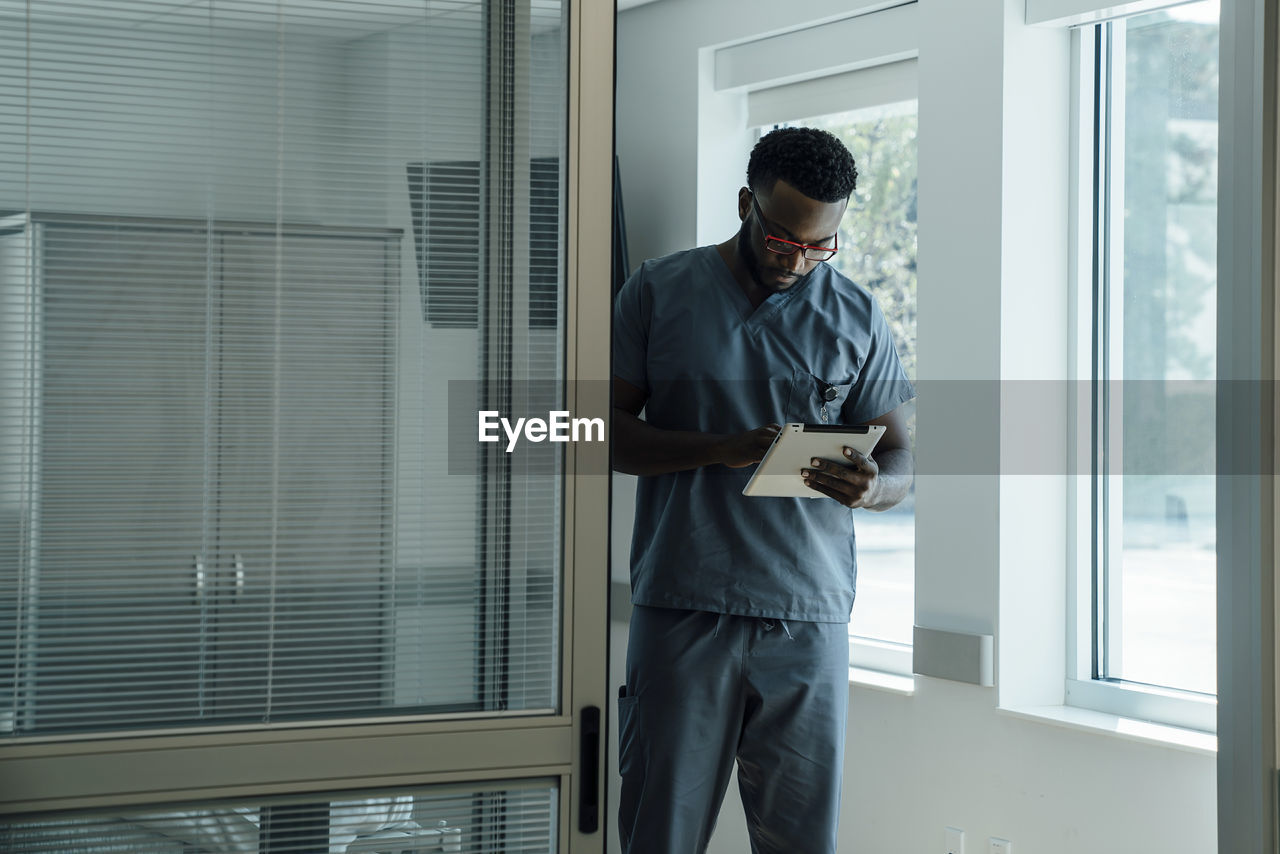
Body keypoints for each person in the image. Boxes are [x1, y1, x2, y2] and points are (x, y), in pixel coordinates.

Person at [611, 126, 916, 854]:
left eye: (821, 246)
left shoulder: (856, 316)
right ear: (747, 203)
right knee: (661, 832)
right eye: (784, 240)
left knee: (802, 840)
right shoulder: (658, 291)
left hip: (806, 617)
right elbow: (606, 434)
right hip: (684, 607)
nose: (799, 261)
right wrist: (717, 449)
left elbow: (902, 456)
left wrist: (874, 489)